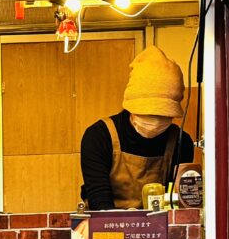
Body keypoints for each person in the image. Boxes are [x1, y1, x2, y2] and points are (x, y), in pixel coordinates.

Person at [79, 46, 195, 210]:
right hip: (107, 221)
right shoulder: (99, 135)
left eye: (163, 115)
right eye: (148, 113)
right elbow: (99, 199)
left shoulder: (181, 142)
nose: (156, 120)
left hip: (159, 223)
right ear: (131, 108)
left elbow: (178, 201)